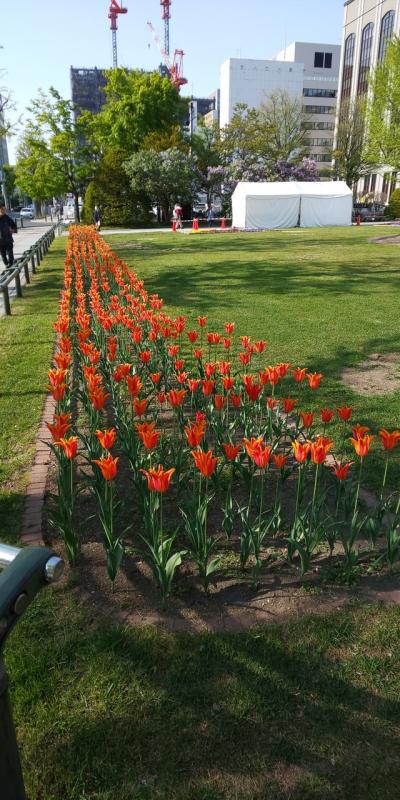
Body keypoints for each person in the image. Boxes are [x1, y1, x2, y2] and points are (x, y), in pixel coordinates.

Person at [0, 205, 17, 269]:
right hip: (0, 241)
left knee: (10, 253)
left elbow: (14, 226)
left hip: (8, 239)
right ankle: (7, 264)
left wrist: (13, 230)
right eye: (2, 209)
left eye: (4, 209)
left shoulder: (7, 218)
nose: (3, 211)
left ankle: (11, 264)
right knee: (3, 254)